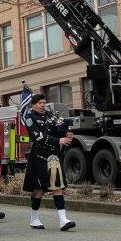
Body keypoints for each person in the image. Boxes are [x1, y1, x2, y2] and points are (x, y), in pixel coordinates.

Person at [22, 93, 75, 231]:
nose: (42, 105)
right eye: (40, 103)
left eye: (44, 103)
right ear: (33, 105)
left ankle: (63, 220)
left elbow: (58, 130)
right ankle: (34, 218)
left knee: (57, 186)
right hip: (39, 155)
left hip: (53, 156)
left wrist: (66, 134)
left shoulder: (50, 116)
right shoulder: (30, 118)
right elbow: (37, 137)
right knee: (38, 190)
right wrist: (58, 140)